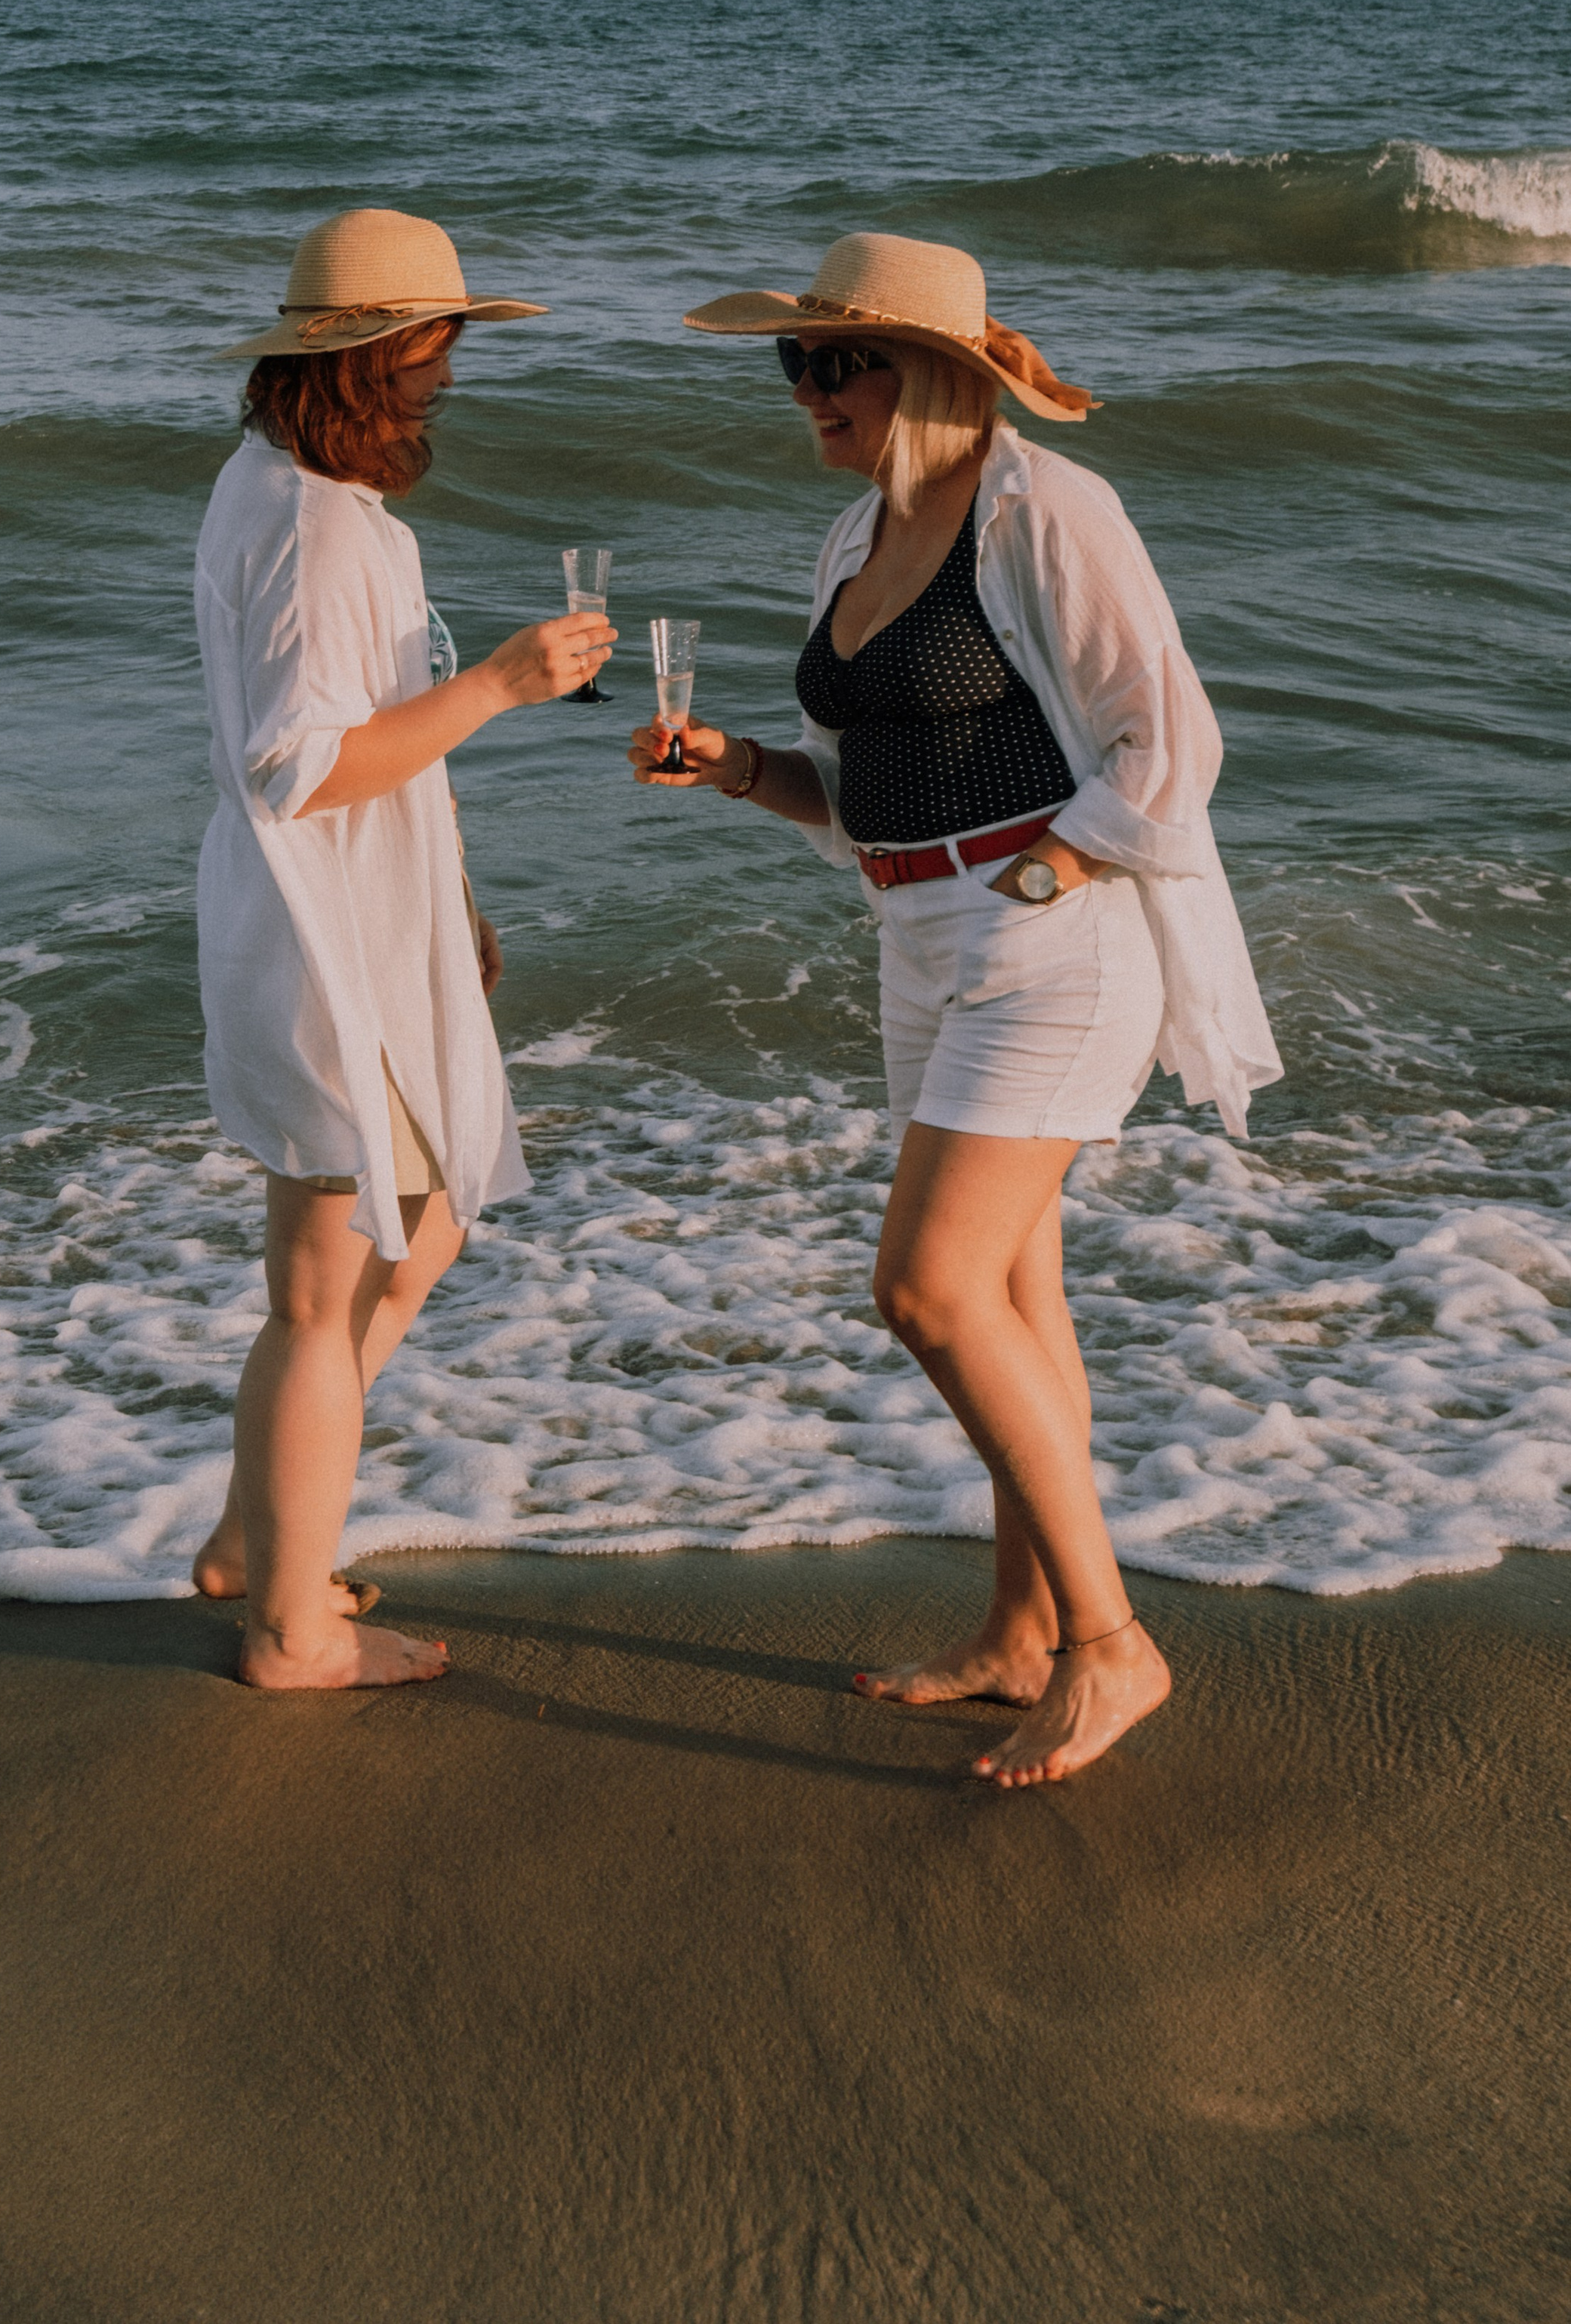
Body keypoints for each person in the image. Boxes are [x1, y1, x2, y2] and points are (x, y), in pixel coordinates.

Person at [631, 234, 1279, 1786]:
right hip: (912, 940)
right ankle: (1016, 1628)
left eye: (827, 361)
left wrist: (1053, 873)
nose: (804, 390)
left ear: (918, 371)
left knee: (923, 1291)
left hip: (1047, 948)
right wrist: (730, 769)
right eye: (791, 362)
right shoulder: (850, 541)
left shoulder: (1045, 512)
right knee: (1012, 1302)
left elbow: (1165, 740)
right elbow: (858, 799)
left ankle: (1112, 1649)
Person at [190, 208, 615, 1691]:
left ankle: (262, 1536)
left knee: (423, 1218)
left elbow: (352, 762)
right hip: (321, 947)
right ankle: (291, 1630)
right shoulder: (312, 529)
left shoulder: (267, 487)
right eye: (434, 346)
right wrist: (502, 680)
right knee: (321, 1293)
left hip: (338, 924)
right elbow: (301, 767)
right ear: (368, 358)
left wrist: (451, 901)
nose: (449, 372)